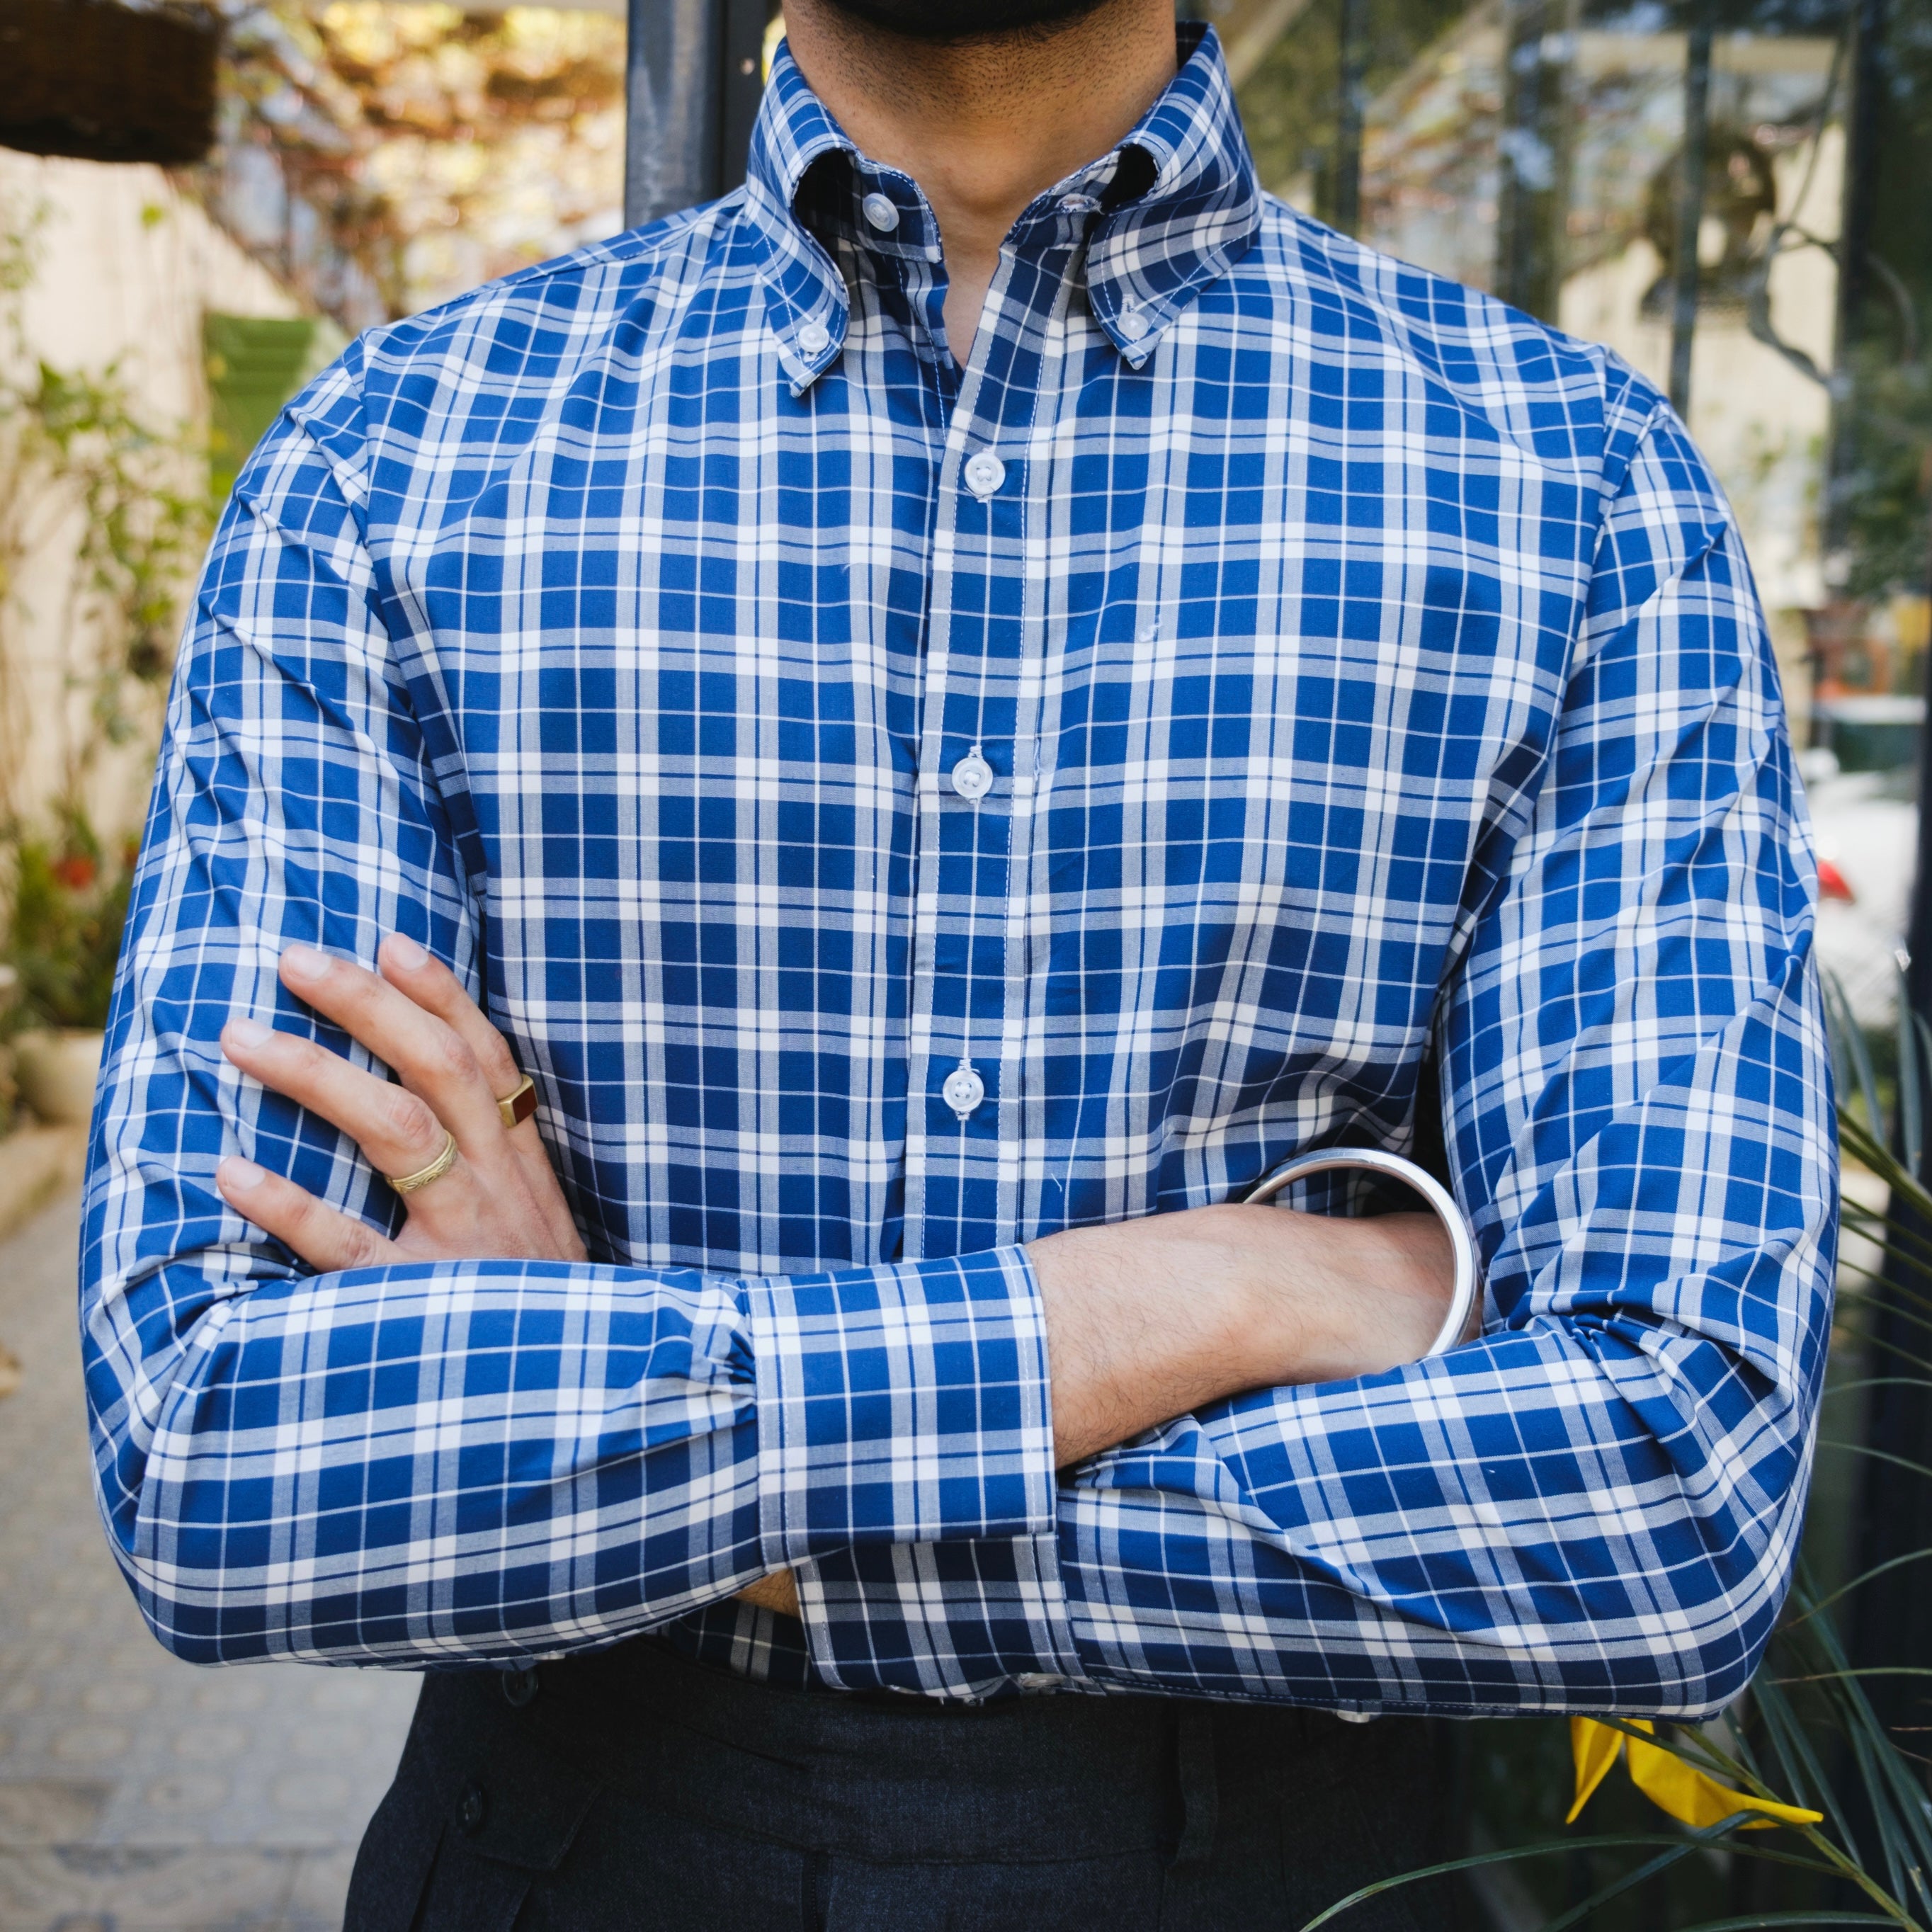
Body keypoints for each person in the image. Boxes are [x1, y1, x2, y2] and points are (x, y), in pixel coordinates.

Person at [80, 0, 1837, 1920]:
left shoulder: (1579, 489)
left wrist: (630, 1432)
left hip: (1288, 1872)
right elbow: (214, 1460)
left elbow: (1672, 1503)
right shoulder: (386, 464)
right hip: (568, 1850)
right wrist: (1216, 1294)